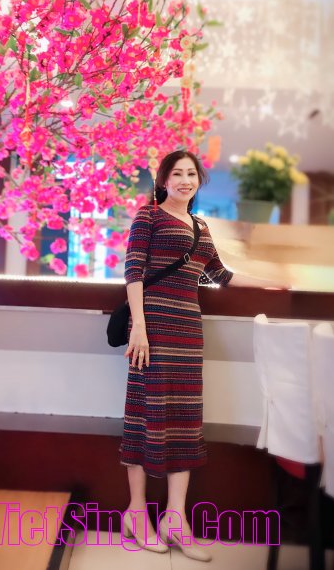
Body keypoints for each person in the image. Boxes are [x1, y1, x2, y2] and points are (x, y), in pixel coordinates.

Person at [119, 149, 286, 561]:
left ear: (198, 181)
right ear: (163, 180)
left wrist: (271, 282)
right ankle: (136, 513)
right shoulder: (148, 217)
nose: (184, 180)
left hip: (188, 335)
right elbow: (133, 272)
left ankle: (175, 519)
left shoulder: (200, 226)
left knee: (185, 420)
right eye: (176, 174)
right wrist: (139, 327)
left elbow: (221, 275)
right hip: (151, 332)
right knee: (144, 415)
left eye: (191, 174)